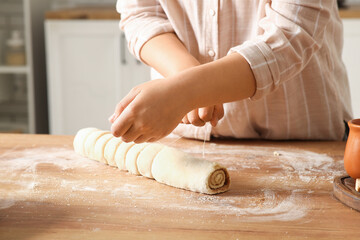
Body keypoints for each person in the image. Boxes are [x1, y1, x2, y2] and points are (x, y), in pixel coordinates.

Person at [109, 0, 352, 144]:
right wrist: (186, 78)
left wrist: (186, 91)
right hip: (189, 141)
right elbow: (141, 12)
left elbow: (291, 34)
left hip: (306, 144)